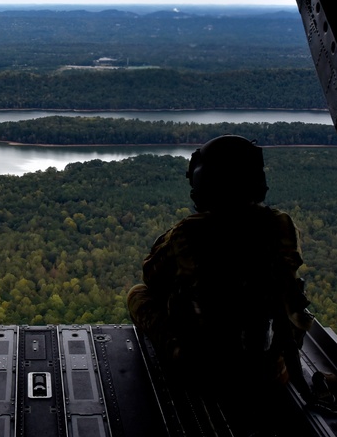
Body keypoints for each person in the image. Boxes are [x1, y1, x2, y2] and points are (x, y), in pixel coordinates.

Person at [127, 135, 314, 404]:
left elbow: (152, 278)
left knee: (138, 294)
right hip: (270, 372)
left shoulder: (189, 233)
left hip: (204, 374)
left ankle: (182, 357)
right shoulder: (281, 225)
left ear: (203, 184)